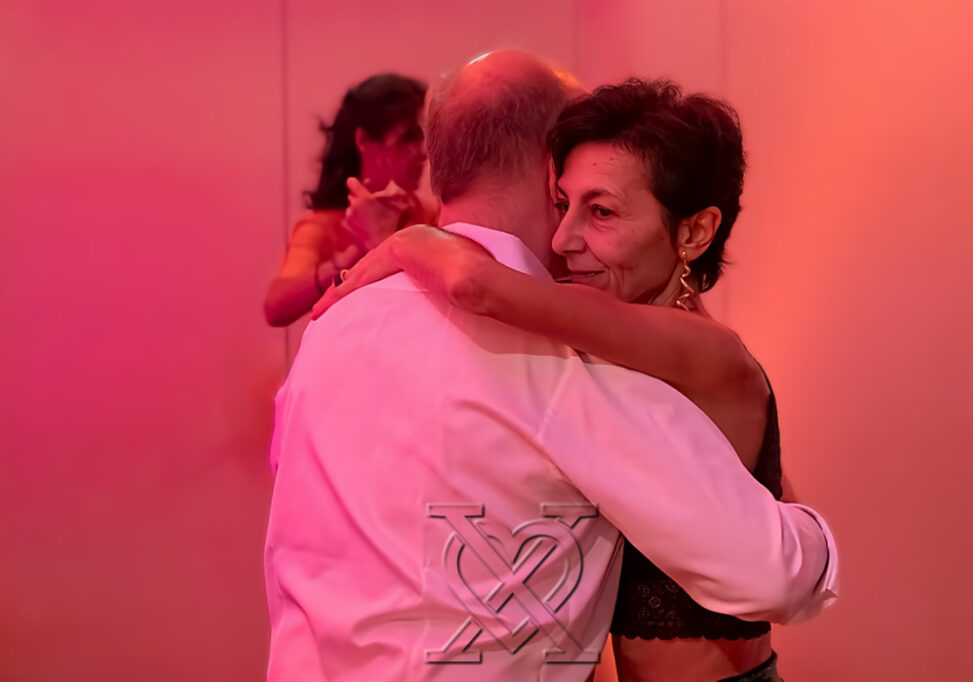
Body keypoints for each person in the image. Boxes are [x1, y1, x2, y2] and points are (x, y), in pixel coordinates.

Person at [266, 52, 837, 682]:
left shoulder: (333, 325)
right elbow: (777, 572)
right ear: (550, 169)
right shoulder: (563, 356)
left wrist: (414, 241)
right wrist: (806, 534)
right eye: (571, 198)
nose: (568, 237)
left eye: (602, 209)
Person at [263, 73, 434, 327]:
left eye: (424, 137)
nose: (422, 153)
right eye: (409, 138)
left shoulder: (430, 214)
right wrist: (347, 260)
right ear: (364, 140)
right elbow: (276, 308)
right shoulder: (325, 226)